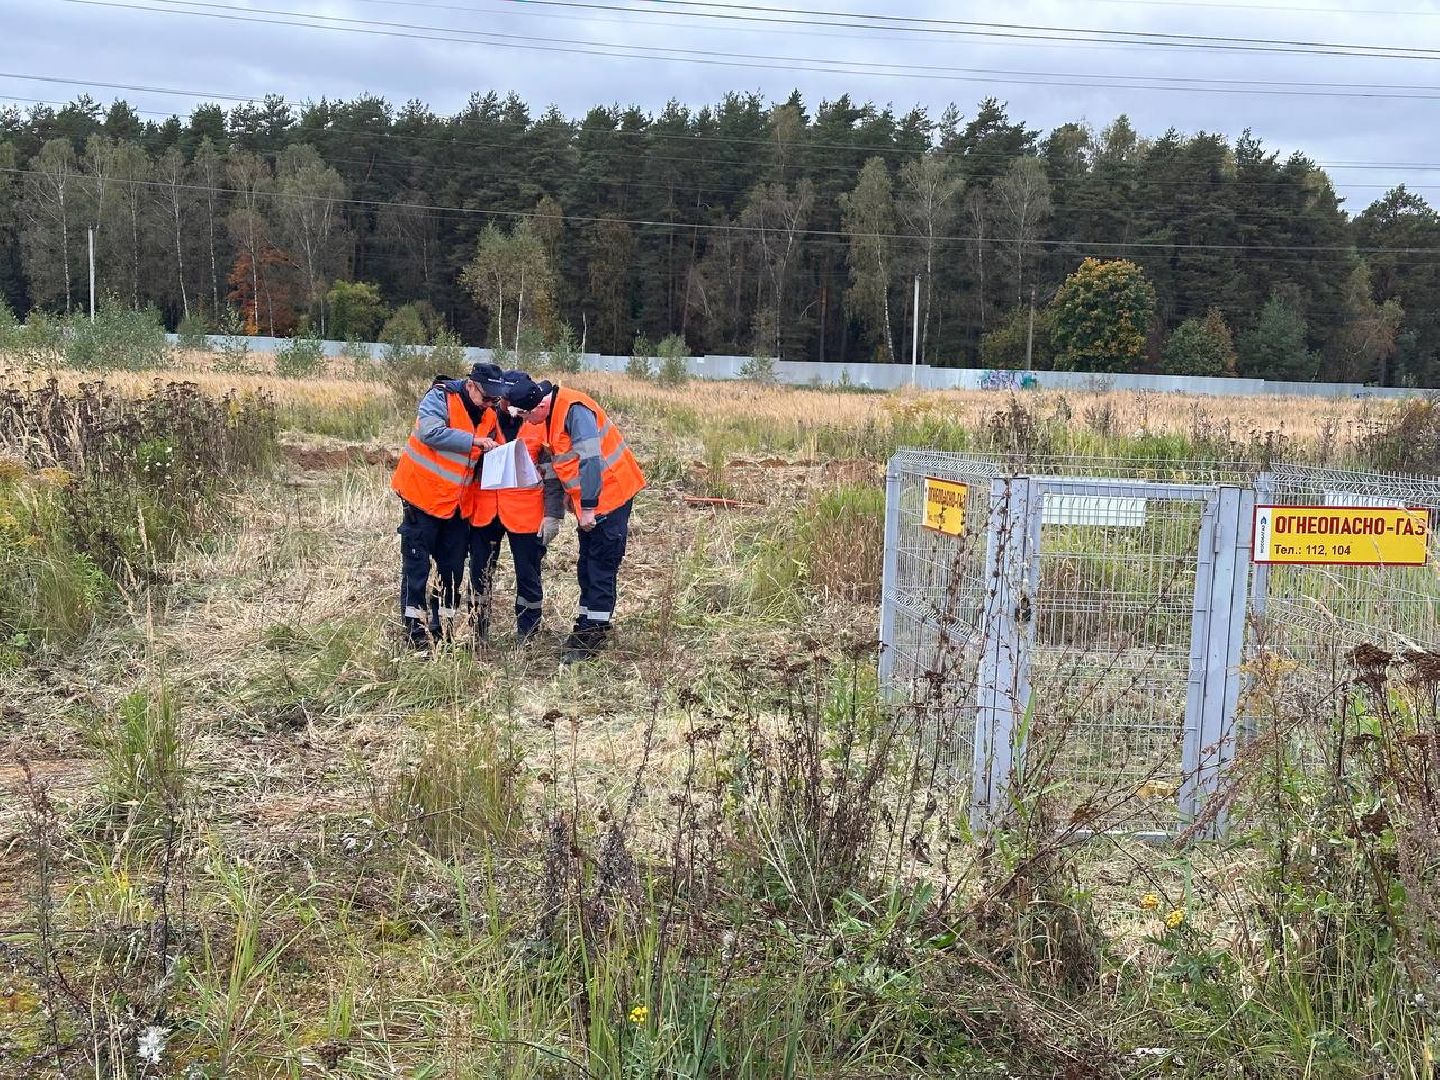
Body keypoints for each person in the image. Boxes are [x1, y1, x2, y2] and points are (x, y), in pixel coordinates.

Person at [501, 374, 645, 663]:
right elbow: (557, 466)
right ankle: (586, 623)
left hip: (611, 496)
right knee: (586, 566)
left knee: (600, 566)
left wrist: (589, 505)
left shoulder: (574, 410)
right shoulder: (547, 415)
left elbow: (590, 459)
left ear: (538, 406)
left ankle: (593, 636)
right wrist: (562, 504)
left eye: (524, 416)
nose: (525, 422)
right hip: (588, 501)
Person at [390, 363, 499, 647]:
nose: (491, 404)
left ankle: (443, 629)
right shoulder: (440, 397)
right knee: (417, 570)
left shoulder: (489, 414)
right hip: (422, 500)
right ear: (471, 385)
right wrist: (475, 441)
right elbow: (430, 433)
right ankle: (415, 634)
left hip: (457, 507)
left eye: (495, 400)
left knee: (452, 573)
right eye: (487, 397)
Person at [465, 369, 565, 642]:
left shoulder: (538, 422)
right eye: (504, 399)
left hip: (526, 515)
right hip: (484, 513)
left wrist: (553, 514)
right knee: (479, 575)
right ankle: (478, 635)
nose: (508, 405)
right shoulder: (482, 416)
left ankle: (528, 635)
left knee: (528, 577)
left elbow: (553, 473)